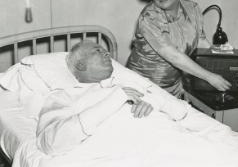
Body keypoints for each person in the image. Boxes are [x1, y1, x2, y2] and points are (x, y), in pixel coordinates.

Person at [36, 40, 189, 156]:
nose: (107, 53)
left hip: (168, 141)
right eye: (97, 51)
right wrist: (116, 99)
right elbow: (50, 143)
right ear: (81, 65)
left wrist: (153, 102)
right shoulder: (65, 96)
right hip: (126, 152)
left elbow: (180, 111)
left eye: (105, 50)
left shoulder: (129, 82)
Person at [126, 0, 231, 98]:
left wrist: (223, 63)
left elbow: (200, 41)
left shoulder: (192, 9)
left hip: (174, 86)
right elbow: (173, 56)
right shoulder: (149, 17)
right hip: (142, 87)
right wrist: (210, 77)